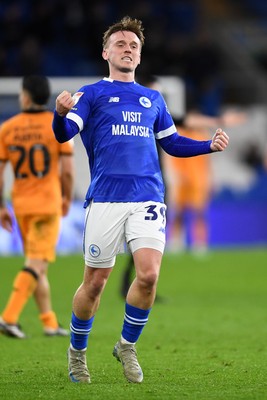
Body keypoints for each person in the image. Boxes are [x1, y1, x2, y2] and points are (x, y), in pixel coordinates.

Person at [52, 16, 229, 384]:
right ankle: (77, 352)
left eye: (134, 45)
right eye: (120, 44)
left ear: (140, 55)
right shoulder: (92, 94)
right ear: (106, 52)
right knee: (95, 283)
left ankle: (127, 346)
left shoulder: (153, 98)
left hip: (148, 197)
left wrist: (206, 146)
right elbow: (64, 134)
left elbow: (171, 143)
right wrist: (59, 114)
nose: (128, 49)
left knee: (148, 276)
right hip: (106, 199)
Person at [0, 75, 74, 339]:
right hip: (47, 202)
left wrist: (1, 207)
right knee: (37, 263)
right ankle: (8, 317)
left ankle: (49, 322)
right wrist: (67, 197)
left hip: (20, 204)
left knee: (36, 263)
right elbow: (66, 171)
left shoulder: (8, 128)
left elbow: (0, 172)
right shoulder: (57, 126)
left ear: (25, 96)